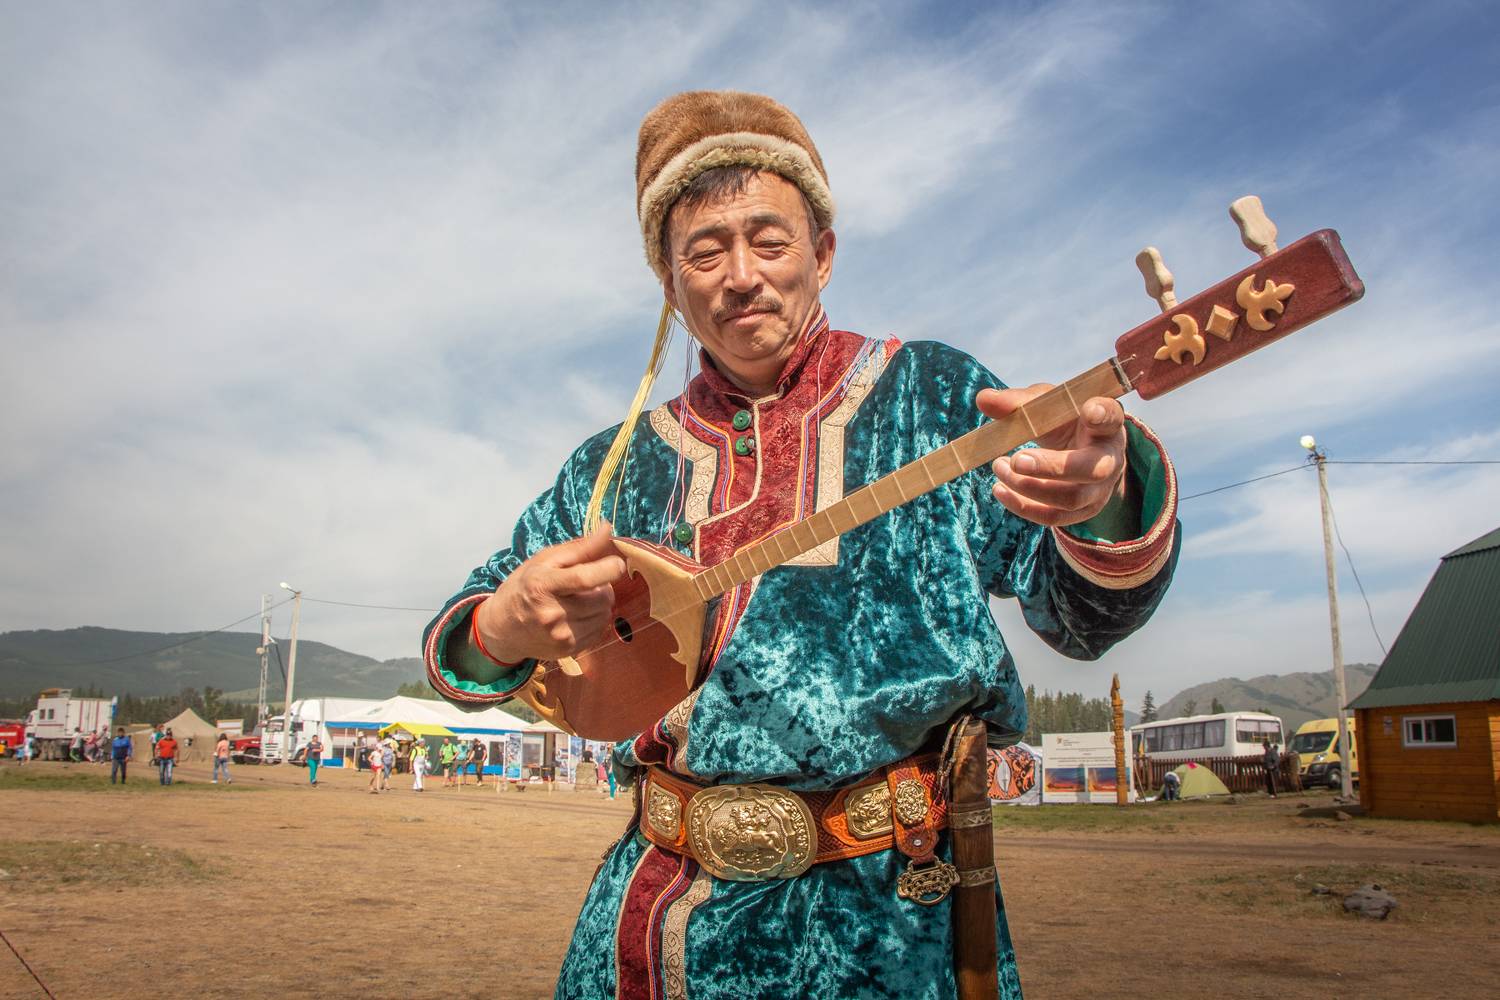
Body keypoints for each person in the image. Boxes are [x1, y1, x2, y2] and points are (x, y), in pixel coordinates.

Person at [421, 91, 1179, 998]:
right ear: (669, 282)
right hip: (657, 925)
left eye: (770, 241)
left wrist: (1103, 498)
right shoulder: (610, 469)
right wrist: (500, 626)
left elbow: (1082, 618)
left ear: (823, 255)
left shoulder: (932, 396)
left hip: (896, 920)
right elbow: (463, 647)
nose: (741, 275)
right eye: (705, 251)